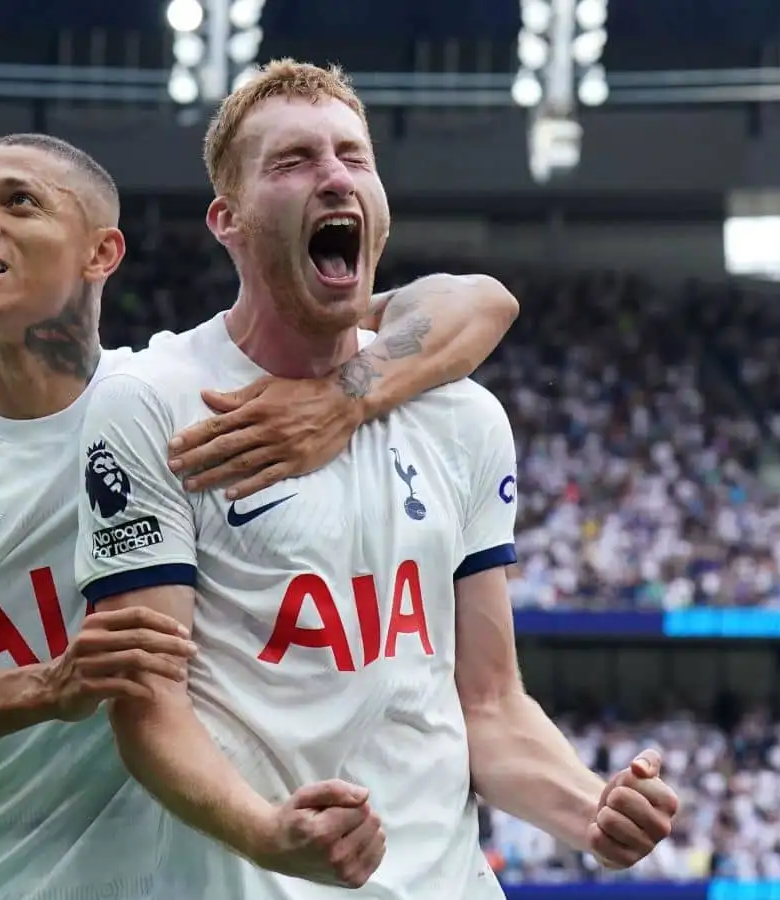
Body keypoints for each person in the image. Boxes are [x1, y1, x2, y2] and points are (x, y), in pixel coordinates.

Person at [0, 132, 521, 900]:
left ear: (101, 253)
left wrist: (343, 395)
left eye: (19, 202)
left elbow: (475, 300)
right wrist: (50, 684)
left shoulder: (175, 400)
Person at [72, 59, 680, 899]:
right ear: (230, 219)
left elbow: (491, 706)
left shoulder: (465, 419)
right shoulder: (153, 404)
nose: (333, 178)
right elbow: (146, 707)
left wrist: (589, 810)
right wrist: (269, 835)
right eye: (292, 162)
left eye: (353, 158)